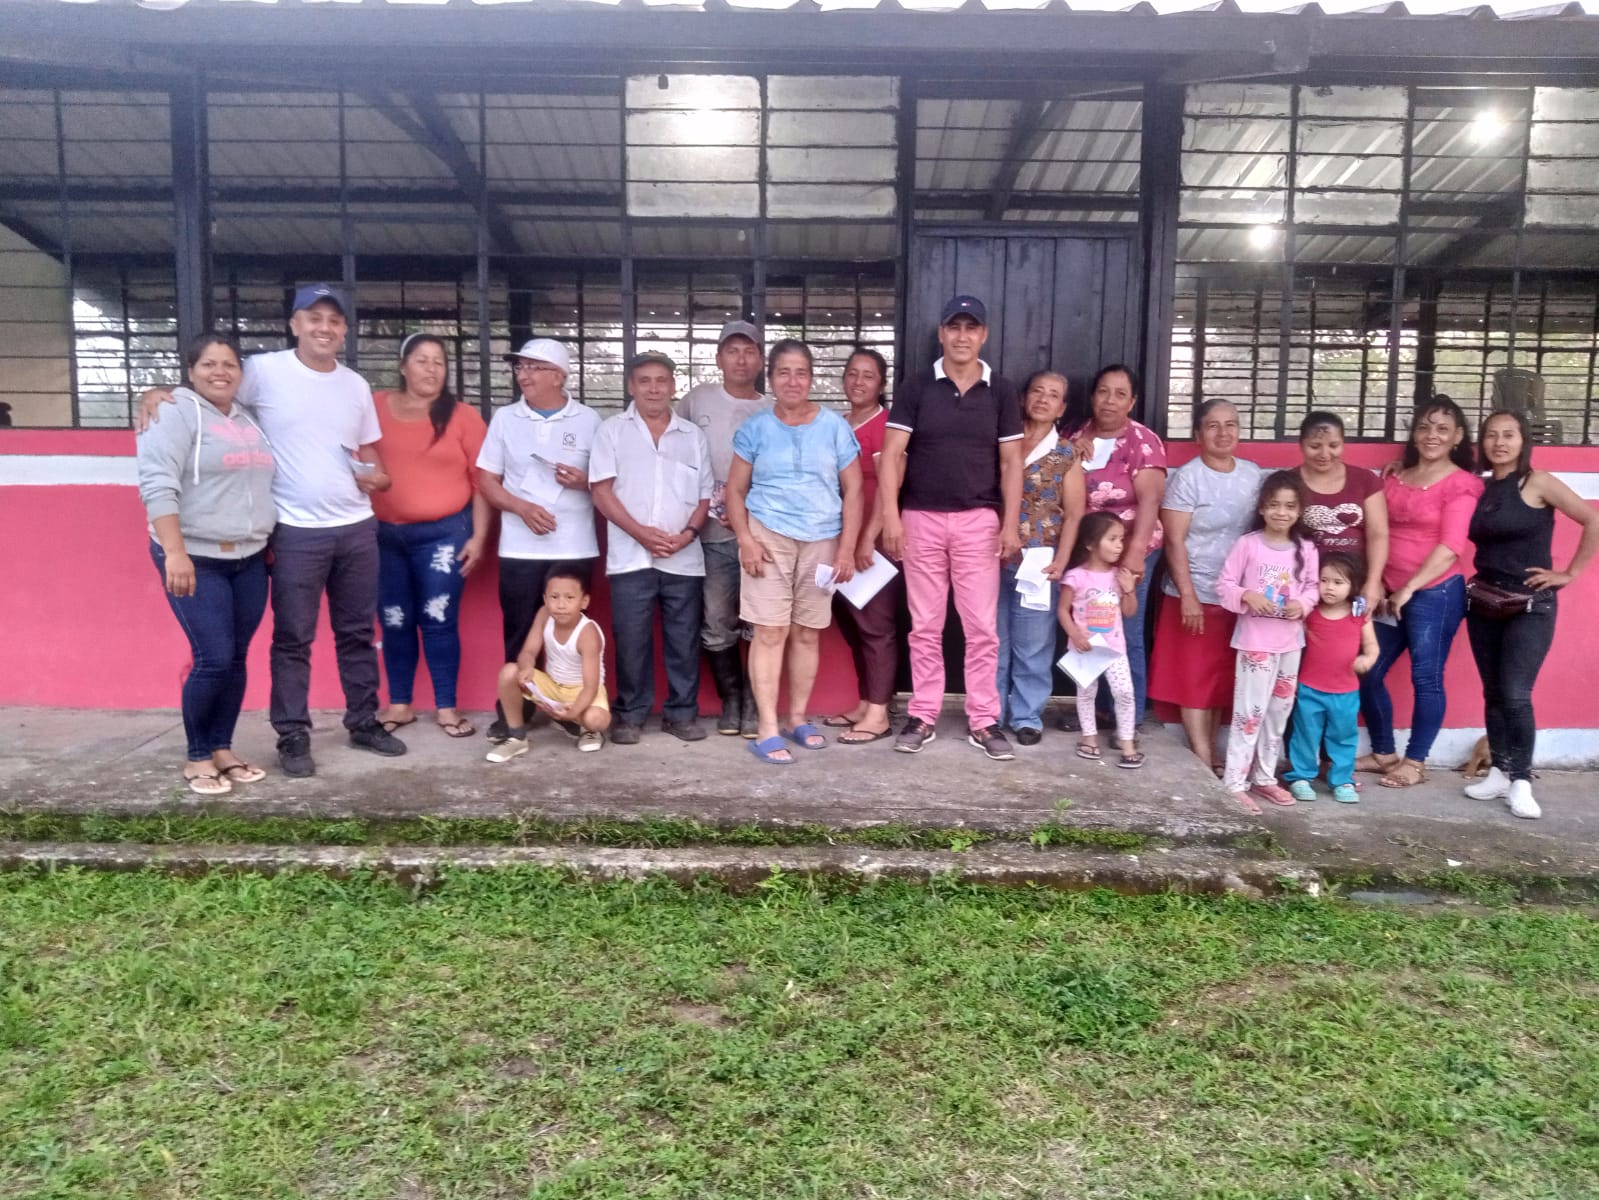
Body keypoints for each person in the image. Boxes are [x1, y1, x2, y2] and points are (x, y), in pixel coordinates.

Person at [139, 283, 405, 776]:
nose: (324, 328)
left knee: (356, 632)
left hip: (355, 526)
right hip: (295, 530)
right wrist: (158, 394)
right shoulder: (262, 371)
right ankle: (293, 735)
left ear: (345, 330)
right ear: (294, 324)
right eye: (314, 318)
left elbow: (367, 448)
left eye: (334, 320)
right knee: (293, 638)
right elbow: (209, 394)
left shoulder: (355, 385)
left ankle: (364, 721)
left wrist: (381, 475)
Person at [879, 295, 1023, 761]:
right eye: (954, 327)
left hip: (979, 521)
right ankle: (923, 715)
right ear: (941, 333)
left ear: (984, 335)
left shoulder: (1001, 390)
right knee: (924, 626)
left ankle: (983, 719)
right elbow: (892, 455)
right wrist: (891, 517)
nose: (962, 336)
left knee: (981, 629)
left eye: (971, 328)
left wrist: (1010, 524)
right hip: (919, 519)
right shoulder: (917, 386)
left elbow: (1011, 463)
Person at [136, 333, 275, 794]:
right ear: (191, 371)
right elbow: (157, 483)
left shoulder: (248, 418)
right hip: (195, 556)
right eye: (209, 364)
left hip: (249, 558)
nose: (220, 372)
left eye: (229, 364)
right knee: (212, 658)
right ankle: (197, 756)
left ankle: (223, 749)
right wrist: (175, 552)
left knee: (235, 658)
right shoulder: (172, 412)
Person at [725, 339, 863, 765]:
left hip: (822, 538)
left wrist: (846, 548)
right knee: (770, 631)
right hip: (768, 537)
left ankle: (797, 718)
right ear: (771, 378)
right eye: (783, 372)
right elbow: (735, 490)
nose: (792, 381)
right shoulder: (755, 428)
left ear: (811, 378)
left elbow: (854, 490)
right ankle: (767, 727)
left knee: (806, 631)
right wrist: (746, 540)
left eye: (801, 372)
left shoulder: (834, 427)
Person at [1464, 409, 1599, 819]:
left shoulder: (1536, 482)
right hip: (1484, 601)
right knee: (1492, 692)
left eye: (1509, 434)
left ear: (1524, 441)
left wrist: (1569, 573)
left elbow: (1592, 519)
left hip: (1530, 605)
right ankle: (1500, 772)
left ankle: (1521, 781)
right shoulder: (1480, 487)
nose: (1499, 442)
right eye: (1491, 435)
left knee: (1515, 694)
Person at [476, 337, 601, 743]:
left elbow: (608, 482)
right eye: (520, 367)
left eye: (534, 367)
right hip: (519, 548)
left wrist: (584, 481)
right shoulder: (505, 419)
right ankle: (516, 712)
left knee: (568, 635)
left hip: (574, 546)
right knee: (518, 633)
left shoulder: (589, 420)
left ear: (558, 376)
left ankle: (570, 709)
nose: (523, 375)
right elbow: (486, 481)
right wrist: (520, 507)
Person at [1357, 398, 1484, 790]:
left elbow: (1451, 547)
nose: (1432, 435)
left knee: (1426, 677)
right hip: (1388, 592)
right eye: (1425, 427)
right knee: (1367, 669)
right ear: (1414, 433)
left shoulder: (1461, 484)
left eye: (1443, 429)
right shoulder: (1395, 477)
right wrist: (1380, 584)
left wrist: (1409, 588)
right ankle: (1383, 753)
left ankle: (1415, 761)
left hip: (1434, 593)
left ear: (1458, 437)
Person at [589, 350, 714, 746]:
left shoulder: (692, 436)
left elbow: (705, 497)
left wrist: (688, 534)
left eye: (662, 380)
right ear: (631, 386)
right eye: (644, 381)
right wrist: (640, 533)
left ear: (673, 386)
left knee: (684, 641)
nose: (654, 388)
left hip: (684, 557)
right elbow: (601, 492)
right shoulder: (611, 431)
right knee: (632, 641)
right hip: (630, 557)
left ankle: (681, 714)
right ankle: (630, 715)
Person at [370, 334, 490, 740]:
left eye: (439, 361)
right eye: (422, 360)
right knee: (394, 619)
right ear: (403, 366)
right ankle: (400, 704)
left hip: (444, 535)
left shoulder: (462, 416)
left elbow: (482, 482)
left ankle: (446, 707)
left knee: (438, 619)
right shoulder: (373, 407)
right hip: (384, 536)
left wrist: (479, 537)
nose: (431, 368)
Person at [1149, 398, 1263, 769]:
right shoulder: (1188, 477)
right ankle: (1202, 757)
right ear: (1198, 433)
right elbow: (1174, 540)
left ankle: (1211, 750)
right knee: (1194, 678)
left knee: (1219, 678)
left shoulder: (1253, 475)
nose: (1223, 432)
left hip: (1238, 595)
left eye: (1231, 424)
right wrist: (1188, 595)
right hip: (1194, 591)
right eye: (1213, 425)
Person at [678, 321, 771, 737]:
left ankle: (754, 700)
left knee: (761, 621)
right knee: (717, 620)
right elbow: (671, 450)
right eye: (732, 351)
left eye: (749, 351)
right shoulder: (696, 400)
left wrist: (747, 508)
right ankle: (731, 698)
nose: (741, 359)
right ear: (718, 359)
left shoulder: (771, 408)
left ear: (760, 359)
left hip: (762, 534)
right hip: (712, 535)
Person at [1062, 364, 1166, 727]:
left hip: (1128, 549)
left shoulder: (1143, 441)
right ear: (1093, 396)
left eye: (1120, 394)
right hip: (1086, 553)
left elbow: (1151, 502)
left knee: (1124, 632)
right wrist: (1068, 450)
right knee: (1089, 627)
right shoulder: (1072, 433)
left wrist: (1133, 557)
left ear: (1132, 401)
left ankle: (1128, 715)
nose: (1110, 400)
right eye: (1103, 391)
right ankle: (1095, 710)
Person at [1216, 471, 1320, 812]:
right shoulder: (1248, 545)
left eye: (1289, 506)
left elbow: (1313, 588)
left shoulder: (1306, 549)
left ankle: (1264, 777)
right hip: (1255, 643)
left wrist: (1302, 604)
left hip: (1290, 644)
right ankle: (1235, 782)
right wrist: (1247, 595)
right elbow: (1225, 585)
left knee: (1278, 714)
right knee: (1250, 714)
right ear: (1262, 508)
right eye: (1274, 505)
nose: (1281, 512)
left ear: (1299, 510)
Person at [997, 370, 1083, 745]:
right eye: (1037, 391)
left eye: (1053, 395)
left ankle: (1027, 716)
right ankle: (989, 714)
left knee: (1033, 644)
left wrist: (1062, 560)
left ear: (1061, 408)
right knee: (992, 639)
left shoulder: (1066, 453)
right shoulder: (1001, 440)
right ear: (1023, 398)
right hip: (991, 555)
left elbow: (1075, 514)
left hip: (1039, 560)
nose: (1043, 399)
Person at [823, 347, 902, 744]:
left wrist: (867, 539)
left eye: (868, 375)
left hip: (872, 543)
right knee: (853, 623)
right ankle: (865, 702)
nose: (858, 381)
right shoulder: (837, 425)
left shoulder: (886, 426)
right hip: (840, 540)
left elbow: (891, 487)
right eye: (852, 374)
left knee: (876, 627)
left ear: (882, 384)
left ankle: (879, 713)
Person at [1283, 552, 1379, 804]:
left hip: (1345, 691)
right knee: (1305, 735)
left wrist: (1366, 659)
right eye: (1324, 581)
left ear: (1353, 585)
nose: (1329, 588)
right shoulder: (1310, 613)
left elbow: (1372, 647)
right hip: (1309, 688)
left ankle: (1342, 780)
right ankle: (1300, 777)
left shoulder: (1359, 615)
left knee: (1343, 737)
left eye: (1338, 582)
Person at [486, 567, 610, 761]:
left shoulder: (587, 633)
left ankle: (587, 730)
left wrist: (573, 713)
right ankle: (517, 738)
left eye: (570, 598)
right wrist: (527, 667)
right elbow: (528, 651)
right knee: (510, 671)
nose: (561, 605)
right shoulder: (544, 614)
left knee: (595, 719)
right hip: (553, 687)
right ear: (545, 599)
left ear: (584, 601)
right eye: (554, 597)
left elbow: (591, 686)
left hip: (582, 691)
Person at [1059, 513, 1142, 769]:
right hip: (1085, 648)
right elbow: (1062, 610)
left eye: (1121, 539)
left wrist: (1129, 589)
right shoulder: (1076, 577)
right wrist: (1075, 634)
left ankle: (1127, 743)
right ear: (1090, 544)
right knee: (1086, 693)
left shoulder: (1119, 575)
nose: (1119, 546)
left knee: (1124, 692)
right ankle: (1089, 738)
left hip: (1114, 648)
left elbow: (1129, 612)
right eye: (1112, 539)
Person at [1293, 411, 1389, 616]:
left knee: (1354, 635)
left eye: (1333, 445)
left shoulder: (1365, 480)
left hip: (1355, 586)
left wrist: (1373, 582)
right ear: (1301, 445)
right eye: (1315, 446)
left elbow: (1378, 534)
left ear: (1343, 444)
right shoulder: (1289, 482)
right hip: (1304, 587)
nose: (1324, 454)